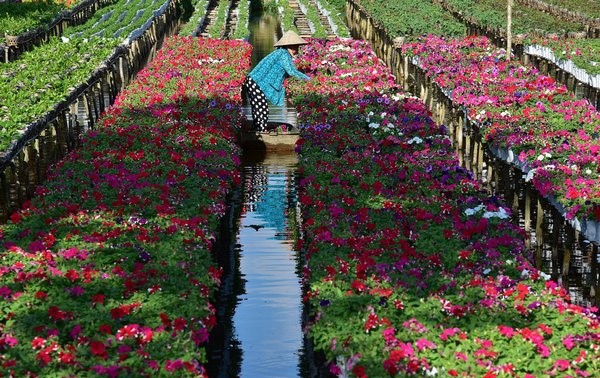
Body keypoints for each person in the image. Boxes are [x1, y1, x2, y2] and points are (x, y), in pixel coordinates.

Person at [242, 30, 310, 132]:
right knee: (261, 109)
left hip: (255, 82)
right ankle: (260, 133)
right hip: (255, 82)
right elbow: (291, 72)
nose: (297, 49)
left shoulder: (282, 54)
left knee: (260, 110)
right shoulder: (283, 54)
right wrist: (309, 79)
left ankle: (259, 131)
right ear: (290, 47)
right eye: (296, 47)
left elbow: (290, 71)